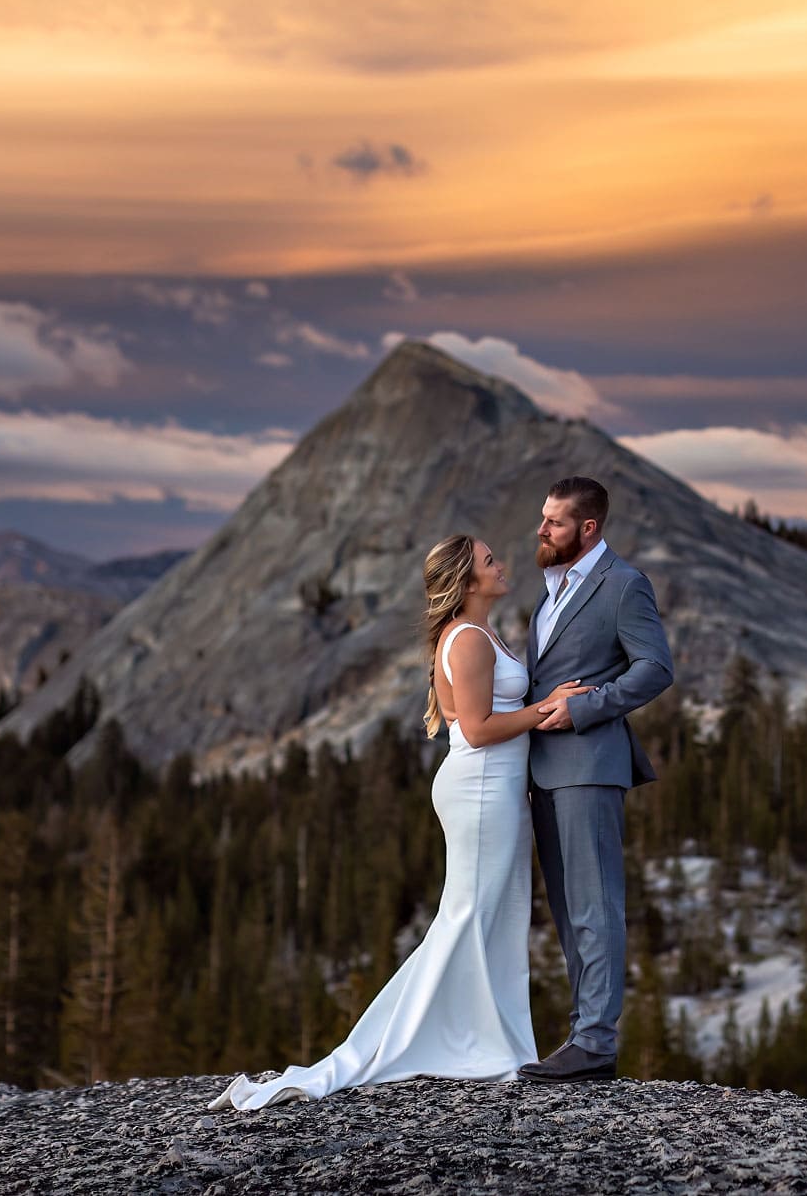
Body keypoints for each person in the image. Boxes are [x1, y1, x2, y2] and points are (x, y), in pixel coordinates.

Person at [206, 534, 587, 1110]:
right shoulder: (469, 643)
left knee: (492, 915)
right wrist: (547, 706)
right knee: (470, 915)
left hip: (492, 790)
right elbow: (478, 729)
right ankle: (436, 1044)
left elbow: (466, 716)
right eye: (488, 561)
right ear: (466, 582)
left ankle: (490, 1041)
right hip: (481, 791)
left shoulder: (476, 635)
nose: (500, 563)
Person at [518, 475, 674, 1083]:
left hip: (589, 765)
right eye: (542, 517)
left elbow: (655, 669)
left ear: (588, 527)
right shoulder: (551, 587)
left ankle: (596, 1044)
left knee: (595, 906)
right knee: (565, 907)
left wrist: (587, 706)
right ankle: (584, 1035)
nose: (542, 529)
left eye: (554, 522)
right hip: (546, 772)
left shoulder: (624, 584)